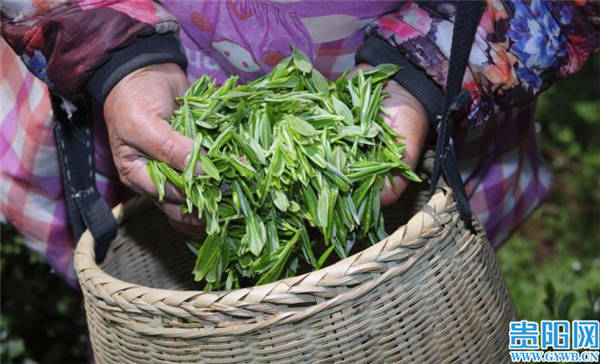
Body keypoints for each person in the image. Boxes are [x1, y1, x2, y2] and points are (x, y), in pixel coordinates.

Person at [1, 1, 598, 287]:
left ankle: (557, 344)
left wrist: (425, 74)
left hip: (423, 74)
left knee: (427, 306)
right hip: (166, 73)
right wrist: (116, 60)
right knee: (195, 311)